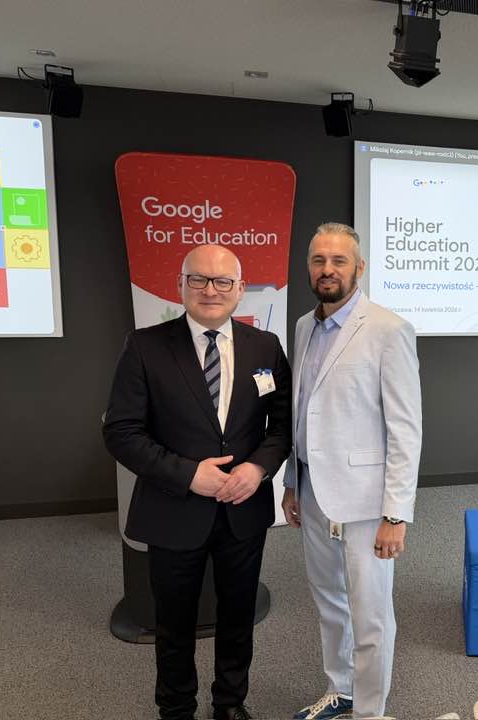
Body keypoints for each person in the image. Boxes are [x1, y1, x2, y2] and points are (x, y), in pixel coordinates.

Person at [104, 245, 292, 720]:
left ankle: (229, 702)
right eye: (199, 279)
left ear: (240, 289)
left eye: (223, 281)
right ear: (181, 286)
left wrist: (257, 468)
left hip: (243, 508)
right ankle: (176, 708)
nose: (211, 290)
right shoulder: (145, 346)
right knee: (174, 623)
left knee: (238, 616)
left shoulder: (265, 347)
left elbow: (282, 424)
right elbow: (121, 432)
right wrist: (190, 475)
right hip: (173, 509)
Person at [281, 222, 422, 720]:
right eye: (319, 260)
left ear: (358, 268)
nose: (328, 269)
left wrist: (396, 514)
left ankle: (369, 712)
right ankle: (340, 689)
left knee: (371, 613)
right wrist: (292, 483)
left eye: (339, 261)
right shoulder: (304, 326)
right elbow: (302, 411)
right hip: (313, 491)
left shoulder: (388, 329)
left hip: (367, 500)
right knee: (329, 601)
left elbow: (405, 429)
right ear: (309, 267)